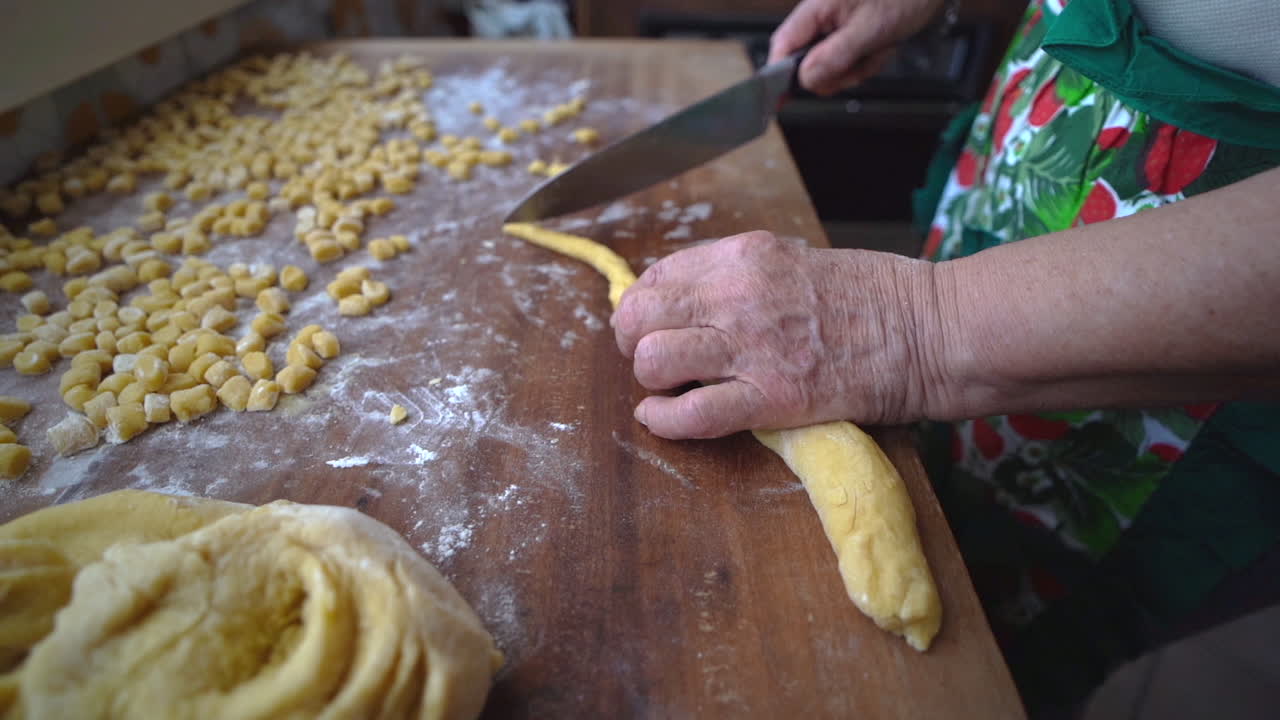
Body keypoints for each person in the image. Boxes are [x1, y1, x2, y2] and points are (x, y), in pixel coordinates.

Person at [611, 0, 1280, 714]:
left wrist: (919, 327)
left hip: (1222, 277)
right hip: (1060, 112)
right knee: (945, 487)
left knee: (1005, 658)